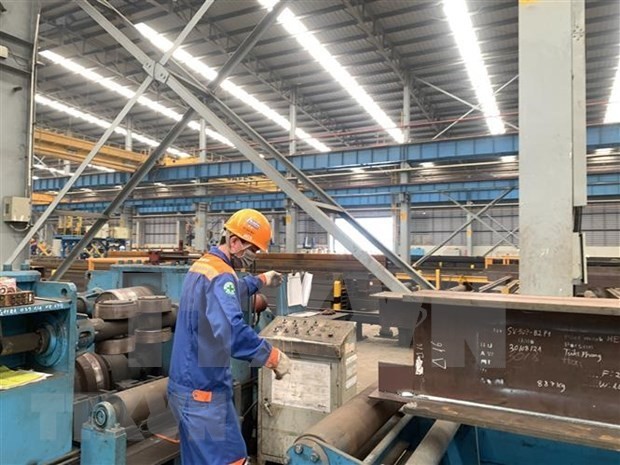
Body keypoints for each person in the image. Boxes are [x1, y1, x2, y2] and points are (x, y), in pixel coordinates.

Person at [167, 208, 290, 464]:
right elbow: (232, 330)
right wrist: (272, 356)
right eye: (251, 250)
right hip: (204, 394)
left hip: (185, 387)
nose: (251, 257)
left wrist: (261, 280)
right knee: (231, 460)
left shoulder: (203, 267)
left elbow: (230, 290)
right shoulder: (221, 275)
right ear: (234, 241)